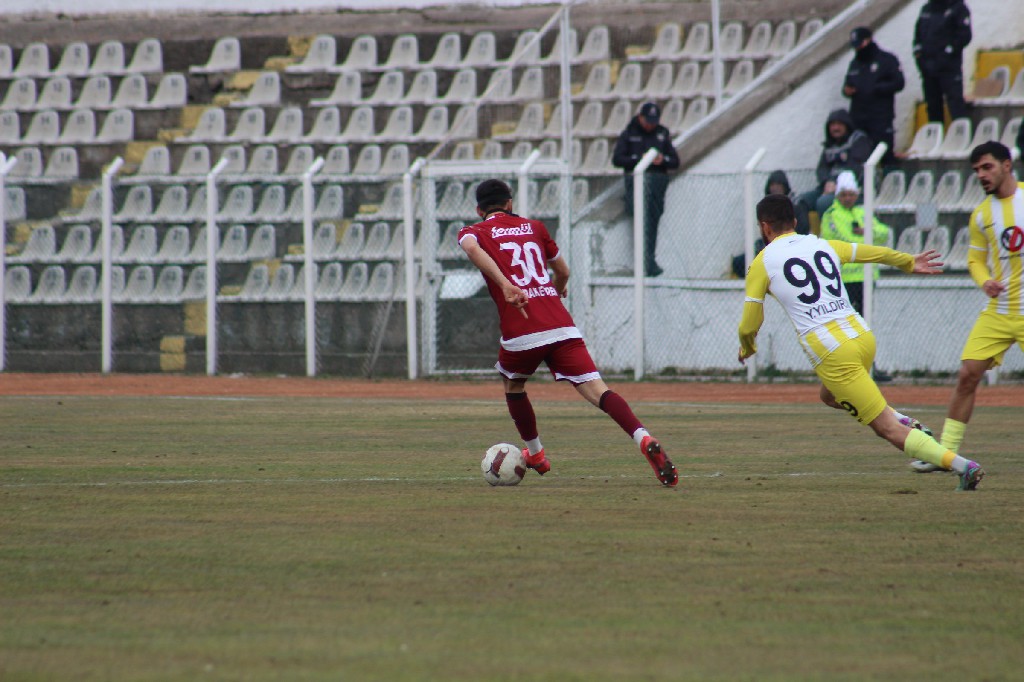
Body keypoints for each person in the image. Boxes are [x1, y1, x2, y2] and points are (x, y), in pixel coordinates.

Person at [737, 193, 985, 491]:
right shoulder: (820, 243)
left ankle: (963, 466)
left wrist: (747, 347)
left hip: (832, 351)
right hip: (861, 336)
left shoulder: (762, 262)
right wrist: (907, 261)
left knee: (885, 429)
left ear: (764, 227)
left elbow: (750, 320)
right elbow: (868, 252)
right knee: (829, 396)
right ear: (794, 220)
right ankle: (903, 419)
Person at [458, 178, 678, 487]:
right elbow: (563, 271)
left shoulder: (473, 231)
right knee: (599, 390)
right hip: (560, 324)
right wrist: (557, 291)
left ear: (479, 209)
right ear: (510, 203)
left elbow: (471, 249)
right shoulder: (535, 227)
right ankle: (643, 437)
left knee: (513, 385)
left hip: (522, 328)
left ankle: (536, 454)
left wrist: (505, 283)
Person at [911, 141, 1024, 474]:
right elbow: (975, 259)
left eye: (987, 167)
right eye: (976, 170)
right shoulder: (981, 215)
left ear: (1007, 164)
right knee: (967, 375)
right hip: (1000, 310)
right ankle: (946, 454)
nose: (981, 175)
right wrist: (984, 280)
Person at [612, 101, 680, 277]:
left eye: (654, 121)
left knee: (653, 220)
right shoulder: (629, 133)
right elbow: (618, 159)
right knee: (641, 221)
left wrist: (661, 160)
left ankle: (649, 259)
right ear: (640, 117)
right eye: (648, 120)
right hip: (636, 184)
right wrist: (639, 159)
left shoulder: (662, 133)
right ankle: (644, 260)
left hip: (657, 185)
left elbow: (675, 161)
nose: (651, 125)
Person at [818, 170, 891, 314]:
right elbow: (844, 238)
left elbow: (885, 233)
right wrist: (869, 238)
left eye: (851, 194)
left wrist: (868, 231)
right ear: (838, 195)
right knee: (844, 318)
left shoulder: (862, 213)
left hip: (866, 276)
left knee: (864, 317)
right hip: (843, 278)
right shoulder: (831, 215)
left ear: (856, 195)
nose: (848, 198)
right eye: (844, 195)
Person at [843, 26, 905, 166]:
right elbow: (847, 84)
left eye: (860, 44)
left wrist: (876, 88)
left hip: (880, 117)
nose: (858, 49)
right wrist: (847, 90)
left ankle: (890, 183)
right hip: (858, 118)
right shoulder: (855, 64)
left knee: (884, 153)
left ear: (868, 40)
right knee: (858, 156)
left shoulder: (887, 60)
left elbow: (899, 83)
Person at [732, 169, 809, 277]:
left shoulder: (796, 204)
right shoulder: (768, 206)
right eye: (772, 185)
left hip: (792, 245)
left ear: (785, 186)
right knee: (741, 260)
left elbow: (803, 228)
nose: (775, 188)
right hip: (772, 243)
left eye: (778, 185)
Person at [798, 109, 875, 216]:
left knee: (823, 203)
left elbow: (855, 167)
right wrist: (827, 182)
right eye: (832, 125)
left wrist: (835, 182)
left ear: (847, 125)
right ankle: (802, 233)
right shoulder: (829, 145)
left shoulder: (858, 140)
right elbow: (821, 169)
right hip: (829, 187)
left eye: (839, 124)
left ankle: (829, 232)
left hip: (851, 191)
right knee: (800, 201)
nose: (835, 128)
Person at [913, 0, 972, 123]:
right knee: (933, 105)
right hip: (928, 68)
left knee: (955, 104)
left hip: (949, 68)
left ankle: (961, 136)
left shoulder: (958, 7)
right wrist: (919, 56)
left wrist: (947, 53)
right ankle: (935, 139)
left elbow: (964, 35)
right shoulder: (926, 9)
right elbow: (918, 36)